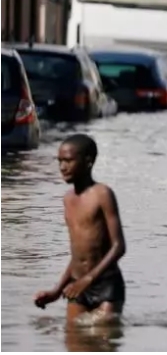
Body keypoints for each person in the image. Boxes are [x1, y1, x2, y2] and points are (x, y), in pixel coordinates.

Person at [34, 134, 127, 325]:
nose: (62, 167)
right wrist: (56, 291)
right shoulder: (68, 200)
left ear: (88, 161)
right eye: (59, 161)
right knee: (74, 341)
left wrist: (88, 279)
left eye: (68, 160)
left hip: (105, 285)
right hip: (77, 286)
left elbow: (119, 246)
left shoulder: (102, 194)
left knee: (102, 338)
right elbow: (78, 256)